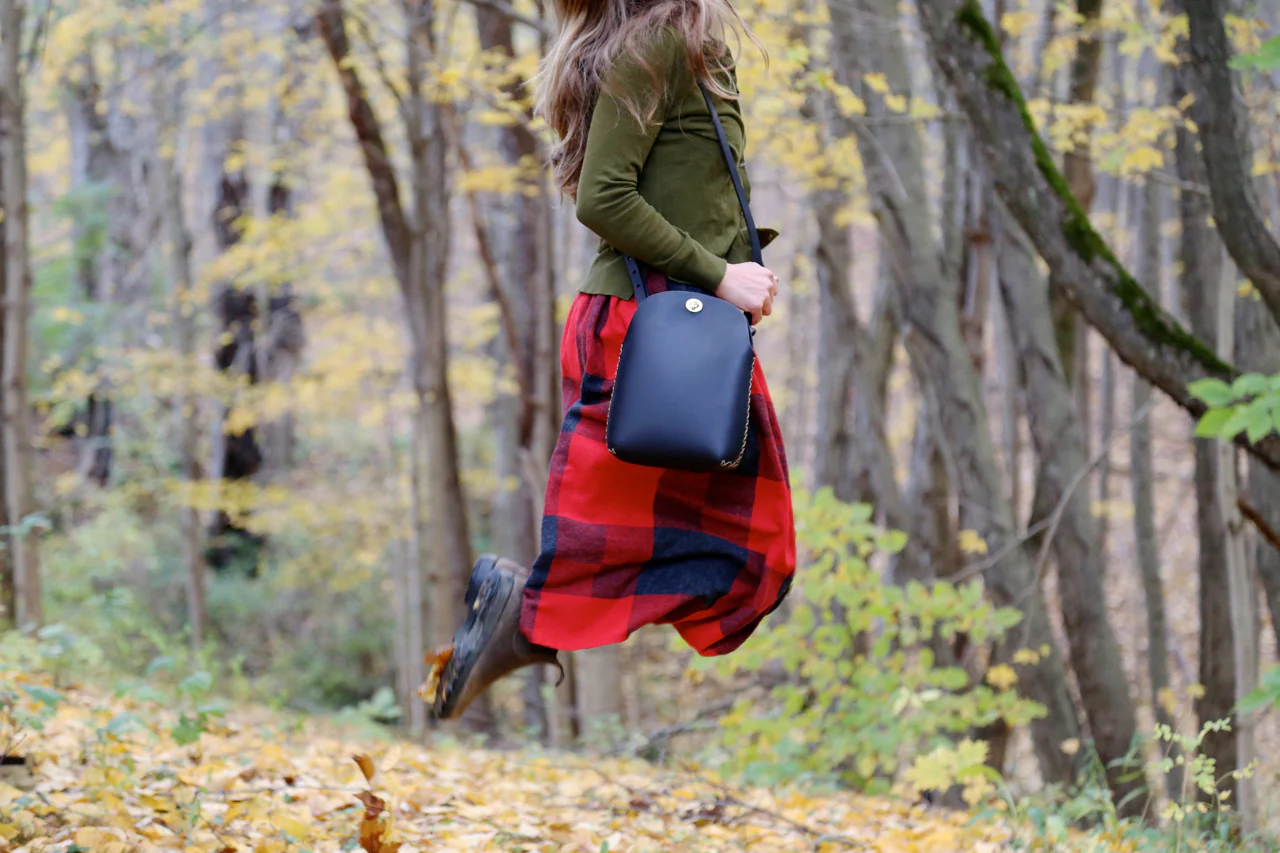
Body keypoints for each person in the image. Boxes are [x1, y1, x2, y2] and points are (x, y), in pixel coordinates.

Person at [432, 0, 797, 720]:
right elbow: (603, 198)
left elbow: (681, 186)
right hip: (650, 331)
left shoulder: (680, 45)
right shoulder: (654, 45)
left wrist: (739, 266)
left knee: (755, 555)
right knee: (755, 551)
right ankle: (530, 612)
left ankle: (527, 613)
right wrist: (721, 274)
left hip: (684, 329)